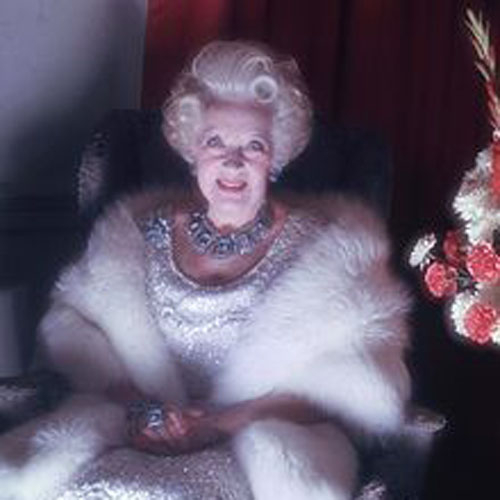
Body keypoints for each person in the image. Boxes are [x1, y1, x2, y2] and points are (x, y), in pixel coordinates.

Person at [0, 41, 411, 499]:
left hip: (251, 451)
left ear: (275, 159)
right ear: (193, 151)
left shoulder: (326, 251)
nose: (233, 161)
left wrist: (218, 423)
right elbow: (78, 333)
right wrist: (144, 413)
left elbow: (349, 386)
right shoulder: (134, 236)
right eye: (216, 142)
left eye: (253, 145)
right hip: (132, 438)